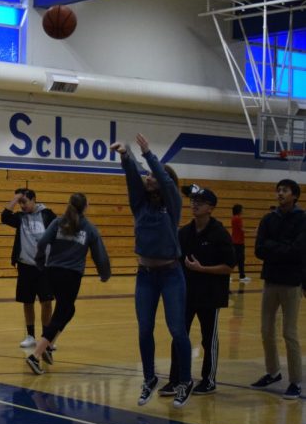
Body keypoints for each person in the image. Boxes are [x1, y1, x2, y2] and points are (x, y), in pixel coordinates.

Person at [111, 134, 193, 409]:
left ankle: (185, 380)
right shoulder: (140, 204)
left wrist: (148, 154)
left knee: (176, 329)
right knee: (144, 329)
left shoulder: (172, 206)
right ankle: (149, 378)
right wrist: (126, 155)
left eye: (152, 176)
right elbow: (132, 177)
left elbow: (167, 182)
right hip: (145, 275)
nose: (147, 178)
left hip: (171, 274)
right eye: (147, 175)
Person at [159, 186, 234, 397]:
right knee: (179, 335)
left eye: (200, 201)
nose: (195, 204)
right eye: (193, 200)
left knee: (208, 338)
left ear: (211, 207)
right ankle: (176, 380)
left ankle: (208, 380)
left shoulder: (219, 233)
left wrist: (203, 269)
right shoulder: (184, 232)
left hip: (211, 295)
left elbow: (229, 266)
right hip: (185, 294)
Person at [25, 193, 110, 375]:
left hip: (52, 272)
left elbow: (42, 243)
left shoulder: (58, 222)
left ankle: (48, 344)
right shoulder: (88, 228)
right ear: (86, 206)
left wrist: (41, 263)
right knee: (63, 311)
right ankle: (36, 355)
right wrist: (105, 273)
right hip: (70, 276)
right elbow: (100, 255)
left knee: (68, 310)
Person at [251, 179, 306, 400]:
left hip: (292, 282)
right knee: (266, 330)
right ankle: (273, 372)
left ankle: (295, 381)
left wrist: (274, 247)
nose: (280, 193)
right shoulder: (268, 219)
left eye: (285, 190)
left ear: (295, 195)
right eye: (278, 190)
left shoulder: (302, 219)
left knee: (289, 333)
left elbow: (298, 250)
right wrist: (281, 247)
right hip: (271, 280)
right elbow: (259, 250)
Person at [1, 188, 57, 348]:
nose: (22, 206)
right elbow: (4, 217)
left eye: (24, 202)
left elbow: (58, 234)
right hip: (25, 266)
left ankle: (47, 338)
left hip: (45, 267)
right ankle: (31, 335)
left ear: (34, 200)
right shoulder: (19, 217)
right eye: (20, 203)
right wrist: (15, 199)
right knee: (28, 301)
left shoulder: (47, 214)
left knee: (46, 302)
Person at [231, 204, 250, 283]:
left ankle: (242, 276)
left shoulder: (234, 218)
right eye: (242, 209)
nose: (243, 210)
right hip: (238, 242)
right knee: (237, 259)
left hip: (237, 242)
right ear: (239, 210)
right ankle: (226, 274)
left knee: (240, 260)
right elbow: (242, 229)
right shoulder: (238, 218)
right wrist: (253, 231)